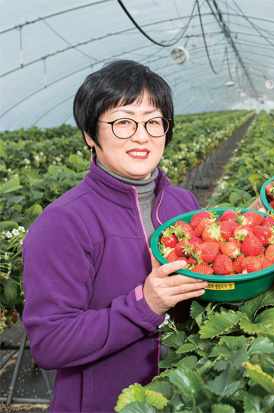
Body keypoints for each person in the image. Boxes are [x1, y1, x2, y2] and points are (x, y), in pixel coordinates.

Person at [21, 60, 208, 412]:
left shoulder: (183, 203)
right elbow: (49, 343)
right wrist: (145, 305)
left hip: (184, 397)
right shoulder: (63, 223)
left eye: (154, 121)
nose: (142, 135)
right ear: (91, 135)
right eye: (123, 122)